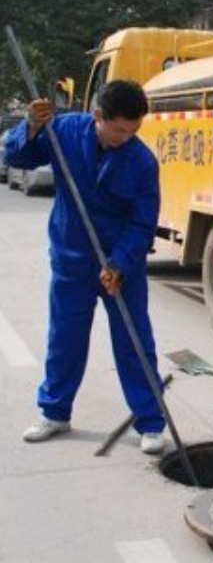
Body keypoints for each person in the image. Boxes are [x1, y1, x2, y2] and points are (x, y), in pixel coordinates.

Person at [5, 80, 167, 455]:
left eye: (133, 131)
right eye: (119, 130)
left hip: (121, 266)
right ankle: (54, 412)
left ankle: (150, 421)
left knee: (134, 342)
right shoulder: (63, 132)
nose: (126, 138)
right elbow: (18, 157)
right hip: (72, 258)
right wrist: (31, 126)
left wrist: (119, 264)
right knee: (65, 339)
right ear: (98, 117)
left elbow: (143, 223)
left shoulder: (142, 162)